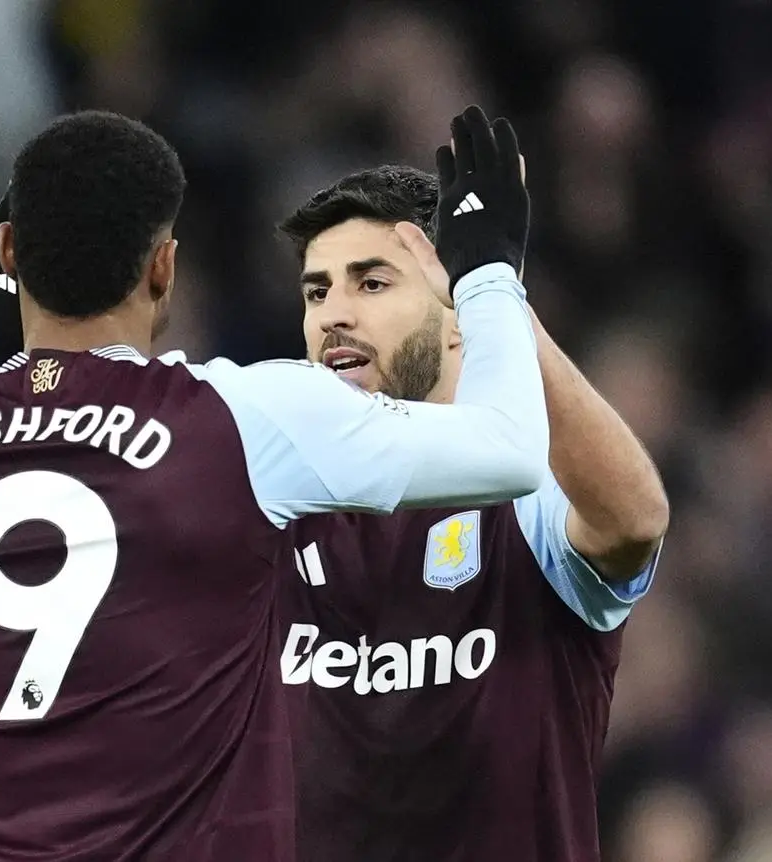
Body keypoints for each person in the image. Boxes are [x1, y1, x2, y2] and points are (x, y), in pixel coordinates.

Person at [0, 108, 549, 861]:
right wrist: (484, 275)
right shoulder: (241, 420)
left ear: (8, 253)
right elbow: (510, 451)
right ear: (163, 267)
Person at [276, 112, 670, 860]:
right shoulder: (275, 503)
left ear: (456, 313)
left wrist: (496, 290)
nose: (334, 315)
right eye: (316, 292)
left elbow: (631, 522)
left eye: (371, 282)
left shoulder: (522, 501)